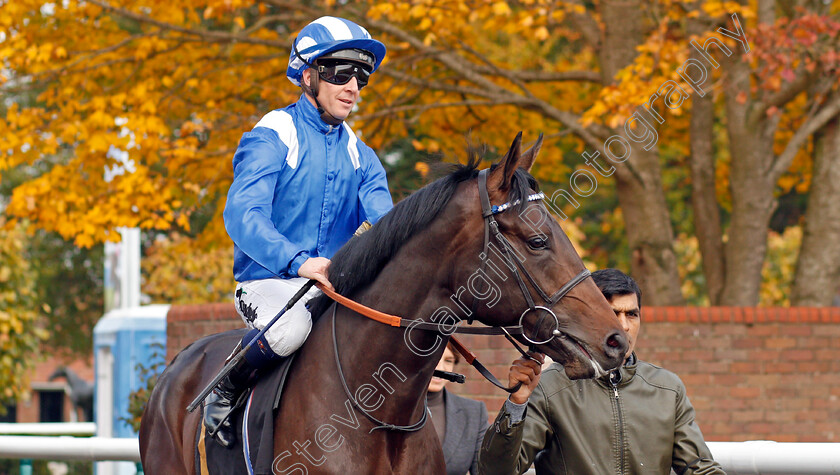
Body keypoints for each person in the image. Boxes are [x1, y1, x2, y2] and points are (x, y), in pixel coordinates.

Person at [205, 16, 394, 448]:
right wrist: (298, 261)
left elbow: (387, 224)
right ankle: (226, 388)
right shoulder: (274, 133)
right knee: (289, 332)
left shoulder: (361, 153)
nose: (353, 87)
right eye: (340, 73)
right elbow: (242, 214)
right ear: (308, 76)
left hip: (331, 287)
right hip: (268, 283)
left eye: (360, 77)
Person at [479, 268, 725, 474]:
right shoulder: (550, 387)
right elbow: (497, 471)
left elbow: (699, 468)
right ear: (588, 317)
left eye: (632, 314)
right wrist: (517, 403)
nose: (624, 326)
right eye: (613, 313)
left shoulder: (667, 389)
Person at [427, 341, 489, 475]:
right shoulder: (390, 409)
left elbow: (484, 471)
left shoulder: (474, 413)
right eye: (434, 358)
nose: (441, 367)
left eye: (448, 361)